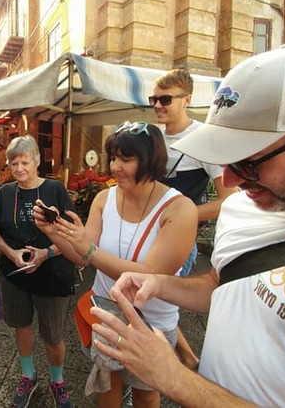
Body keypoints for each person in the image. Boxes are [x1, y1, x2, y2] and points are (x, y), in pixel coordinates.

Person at [91, 46, 285, 407]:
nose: (229, 178)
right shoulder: (243, 205)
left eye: (249, 161)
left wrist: (174, 377)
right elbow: (223, 285)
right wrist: (161, 284)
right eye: (226, 159)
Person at [35, 122, 198, 408]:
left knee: (145, 393)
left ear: (151, 160)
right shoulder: (103, 198)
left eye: (127, 159)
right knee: (106, 383)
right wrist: (53, 234)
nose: (115, 166)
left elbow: (150, 276)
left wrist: (90, 250)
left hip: (151, 322)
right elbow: (82, 257)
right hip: (106, 312)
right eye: (113, 157)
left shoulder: (180, 209)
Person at [152, 68, 239, 368]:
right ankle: (185, 359)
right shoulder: (154, 138)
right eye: (154, 99)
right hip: (149, 233)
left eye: (165, 99)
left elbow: (230, 199)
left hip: (181, 237)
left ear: (186, 99)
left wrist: (183, 215)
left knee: (154, 302)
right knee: (148, 298)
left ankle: (165, 370)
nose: (158, 105)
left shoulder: (205, 138)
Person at [0, 135, 76, 408]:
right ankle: (28, 375)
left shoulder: (55, 189)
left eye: (25, 161)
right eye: (14, 163)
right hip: (15, 274)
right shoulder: (5, 192)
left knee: (53, 335)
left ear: (37, 161)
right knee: (21, 326)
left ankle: (57, 381)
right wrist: (12, 254)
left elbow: (73, 233)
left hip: (52, 274)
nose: (20, 168)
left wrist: (46, 253)